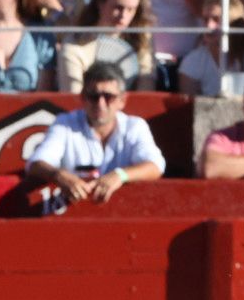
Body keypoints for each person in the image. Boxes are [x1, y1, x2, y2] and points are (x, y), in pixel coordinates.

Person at [27, 61, 166, 205]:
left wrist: (121, 175)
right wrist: (58, 175)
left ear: (122, 100)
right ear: (83, 98)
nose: (101, 104)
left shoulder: (135, 126)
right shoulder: (65, 124)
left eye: (108, 97)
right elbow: (36, 163)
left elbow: (155, 166)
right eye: (94, 96)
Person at [57, 0, 157, 91]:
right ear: (100, 2)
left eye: (131, 10)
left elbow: (146, 89)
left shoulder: (142, 39)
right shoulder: (74, 44)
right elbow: (73, 96)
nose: (123, 16)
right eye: (118, 8)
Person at [177, 0, 244, 93]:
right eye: (205, 19)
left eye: (216, 19)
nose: (209, 26)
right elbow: (189, 105)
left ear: (234, 22)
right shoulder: (193, 60)